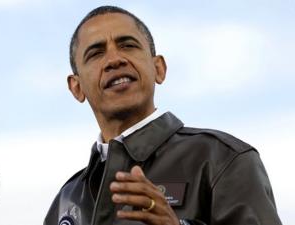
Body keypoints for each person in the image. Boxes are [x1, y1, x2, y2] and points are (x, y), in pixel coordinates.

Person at [44, 5, 282, 225]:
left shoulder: (221, 160)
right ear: (76, 87)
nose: (114, 60)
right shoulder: (67, 199)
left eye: (128, 45)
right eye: (95, 53)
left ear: (159, 68)